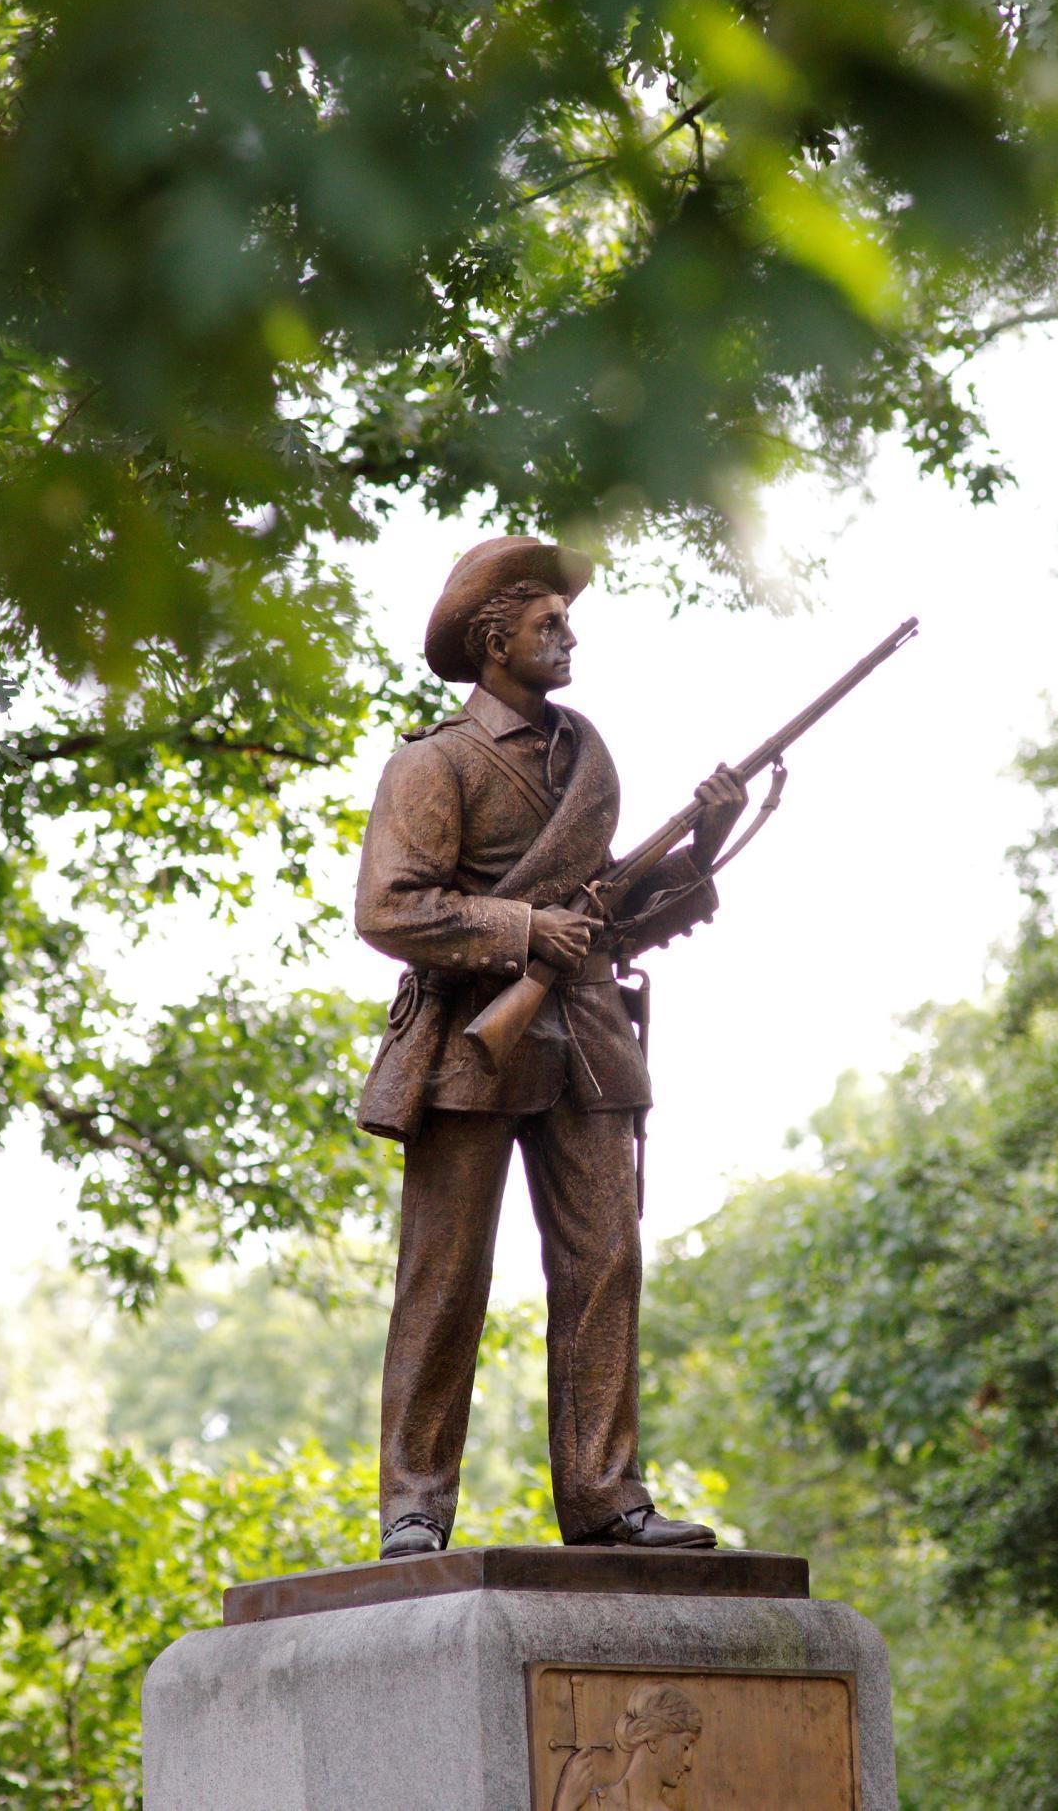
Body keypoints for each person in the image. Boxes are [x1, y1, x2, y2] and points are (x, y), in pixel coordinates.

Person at [354, 534, 747, 1558]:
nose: (568, 635)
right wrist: (523, 931)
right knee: (446, 1282)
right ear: (496, 639)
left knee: (605, 1263)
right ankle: (415, 1506)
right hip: (471, 1045)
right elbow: (392, 908)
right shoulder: (432, 765)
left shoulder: (585, 759)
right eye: (546, 622)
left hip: (585, 1038)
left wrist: (703, 842)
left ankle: (607, 1499)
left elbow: (609, 913)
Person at [550, 1682, 703, 1811]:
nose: (688, 1763)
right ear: (653, 1739)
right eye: (685, 1747)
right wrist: (566, 1803)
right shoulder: (593, 1805)